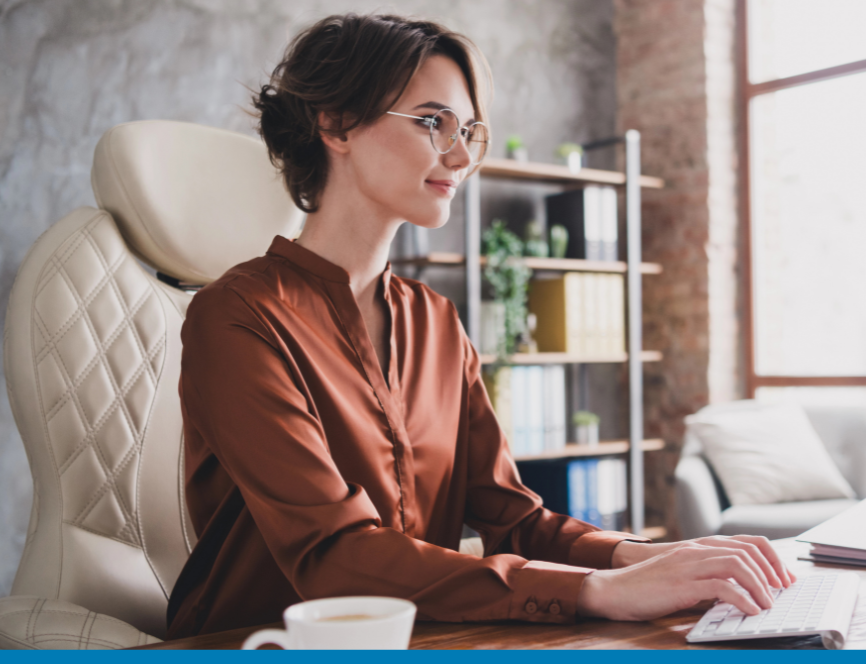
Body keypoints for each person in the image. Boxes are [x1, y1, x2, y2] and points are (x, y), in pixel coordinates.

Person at [165, 13, 793, 639]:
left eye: (468, 130)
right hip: (260, 641)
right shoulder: (238, 317)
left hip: (424, 638)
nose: (462, 156)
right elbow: (334, 555)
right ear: (335, 124)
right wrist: (598, 590)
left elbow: (514, 520)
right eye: (432, 122)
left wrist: (651, 557)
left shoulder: (435, 320)